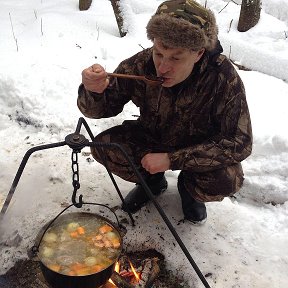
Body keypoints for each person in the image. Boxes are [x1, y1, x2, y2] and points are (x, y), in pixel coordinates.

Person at [77, 0, 253, 225]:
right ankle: (152, 183)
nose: (162, 66)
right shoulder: (141, 65)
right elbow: (99, 110)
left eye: (176, 58)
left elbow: (240, 141)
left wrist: (173, 160)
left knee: (226, 179)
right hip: (153, 137)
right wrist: (95, 91)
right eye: (159, 53)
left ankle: (189, 192)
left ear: (198, 53)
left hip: (197, 149)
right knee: (106, 148)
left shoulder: (222, 77)